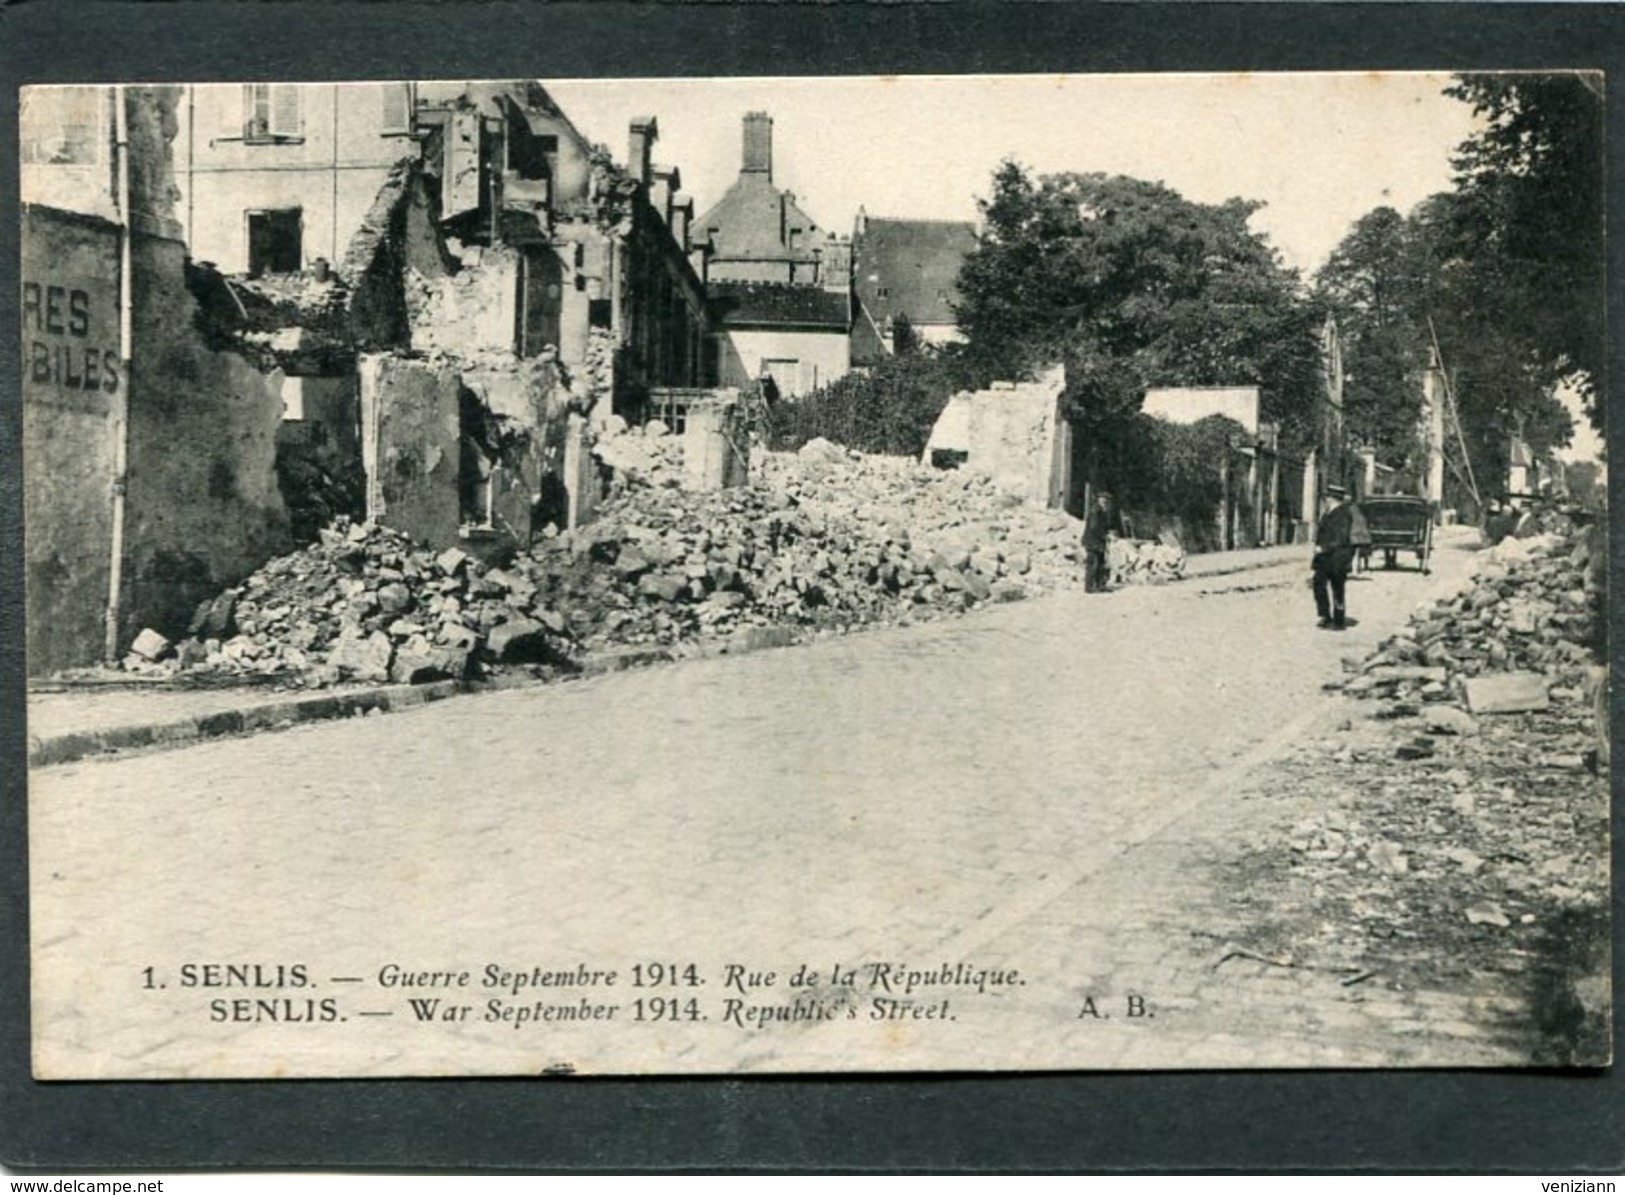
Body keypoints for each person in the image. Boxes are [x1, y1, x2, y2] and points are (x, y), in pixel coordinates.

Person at [1312, 485, 1370, 630]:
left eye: (1327, 497)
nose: (1325, 499)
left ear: (1332, 498)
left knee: (1337, 588)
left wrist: (1324, 547)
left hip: (1338, 556)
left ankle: (1339, 620)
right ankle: (1324, 615)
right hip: (1324, 557)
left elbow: (1342, 537)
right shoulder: (1328, 512)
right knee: (1318, 583)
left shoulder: (1344, 514)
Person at [1082, 491, 1120, 593]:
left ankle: (1100, 585)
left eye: (1106, 500)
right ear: (1098, 500)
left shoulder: (1102, 511)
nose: (1105, 502)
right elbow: (1094, 528)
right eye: (1103, 499)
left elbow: (1102, 526)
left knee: (1100, 564)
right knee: (1093, 565)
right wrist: (1106, 536)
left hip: (1098, 542)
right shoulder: (1095, 511)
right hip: (1092, 541)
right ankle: (1090, 588)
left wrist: (1109, 533)